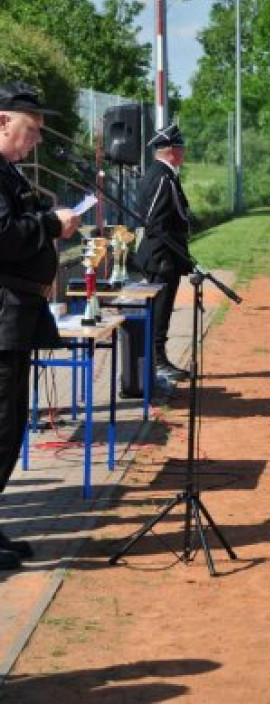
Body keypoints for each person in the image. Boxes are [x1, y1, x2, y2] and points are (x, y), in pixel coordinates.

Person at [0, 81, 81, 569]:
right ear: (2, 121)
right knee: (2, 426)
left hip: (16, 316)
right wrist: (51, 225)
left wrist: (49, 218)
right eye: (31, 131)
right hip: (2, 317)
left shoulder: (8, 172)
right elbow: (3, 236)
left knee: (10, 427)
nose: (37, 143)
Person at [134, 124, 192, 382]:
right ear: (171, 151)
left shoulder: (162, 173)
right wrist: (170, 254)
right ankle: (158, 362)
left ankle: (158, 359)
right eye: (181, 148)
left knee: (163, 309)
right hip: (161, 257)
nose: (184, 153)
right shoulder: (162, 177)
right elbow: (154, 221)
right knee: (161, 309)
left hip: (165, 255)